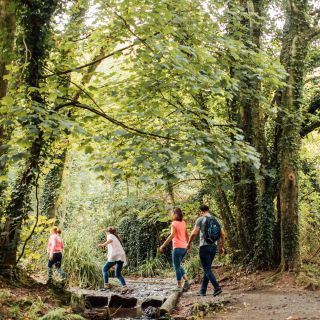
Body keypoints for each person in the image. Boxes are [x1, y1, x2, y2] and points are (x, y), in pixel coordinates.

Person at [187, 205, 225, 296]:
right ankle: (202, 290)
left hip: (204, 246)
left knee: (207, 269)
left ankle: (217, 287)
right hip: (213, 247)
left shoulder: (201, 219)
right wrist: (222, 247)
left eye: (199, 212)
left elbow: (194, 233)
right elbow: (223, 234)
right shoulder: (216, 219)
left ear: (201, 211)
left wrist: (189, 243)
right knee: (207, 269)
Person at [160, 207, 190, 291]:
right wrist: (188, 245)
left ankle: (179, 285)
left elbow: (172, 235)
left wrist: (163, 245)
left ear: (175, 214)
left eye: (172, 213)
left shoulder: (174, 223)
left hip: (177, 247)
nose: (171, 215)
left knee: (176, 266)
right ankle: (187, 281)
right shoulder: (183, 223)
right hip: (184, 247)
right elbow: (187, 234)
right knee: (178, 265)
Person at [97, 226, 129, 294]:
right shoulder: (115, 237)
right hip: (121, 256)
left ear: (107, 232)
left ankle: (106, 285)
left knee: (104, 269)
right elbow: (113, 247)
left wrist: (103, 244)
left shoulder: (110, 235)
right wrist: (108, 256)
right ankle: (125, 286)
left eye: (105, 232)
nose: (105, 233)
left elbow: (110, 240)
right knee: (117, 274)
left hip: (115, 256)